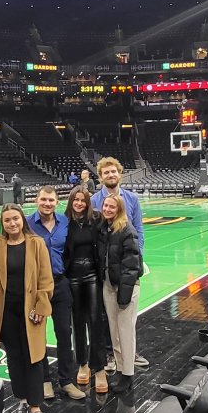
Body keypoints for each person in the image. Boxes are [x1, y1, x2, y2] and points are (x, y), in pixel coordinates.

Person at [0, 203, 54, 413]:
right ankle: (22, 401)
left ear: (22, 220)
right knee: (14, 358)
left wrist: (40, 308)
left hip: (31, 312)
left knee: (34, 358)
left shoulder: (36, 243)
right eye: (7, 220)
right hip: (6, 313)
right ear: (2, 223)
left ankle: (36, 406)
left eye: (15, 218)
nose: (12, 223)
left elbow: (46, 280)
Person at [91, 156, 147, 370]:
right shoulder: (94, 200)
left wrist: (136, 256)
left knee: (127, 312)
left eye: (113, 171)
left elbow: (139, 229)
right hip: (105, 268)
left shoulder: (132, 198)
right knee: (108, 315)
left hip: (127, 264)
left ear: (119, 174)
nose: (110, 175)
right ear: (101, 177)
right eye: (106, 172)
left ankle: (129, 353)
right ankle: (111, 355)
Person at [29, 186, 82, 401]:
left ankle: (66, 381)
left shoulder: (65, 223)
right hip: (36, 288)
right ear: (36, 200)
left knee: (63, 333)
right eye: (43, 199)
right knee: (37, 334)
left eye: (51, 200)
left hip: (60, 284)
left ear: (57, 202)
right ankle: (44, 381)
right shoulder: (26, 223)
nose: (47, 203)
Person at [96, 192, 142, 391]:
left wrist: (124, 294)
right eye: (105, 206)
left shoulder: (126, 229)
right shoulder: (105, 228)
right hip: (108, 286)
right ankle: (121, 369)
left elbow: (132, 265)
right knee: (114, 332)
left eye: (111, 207)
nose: (107, 209)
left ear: (120, 209)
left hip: (125, 288)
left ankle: (128, 374)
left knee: (125, 332)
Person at [64, 187, 108, 394]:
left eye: (83, 200)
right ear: (71, 201)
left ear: (88, 203)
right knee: (78, 322)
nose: (79, 203)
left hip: (92, 275)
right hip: (72, 276)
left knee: (96, 321)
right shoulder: (64, 222)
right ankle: (82, 363)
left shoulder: (96, 220)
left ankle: (98, 367)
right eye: (76, 200)